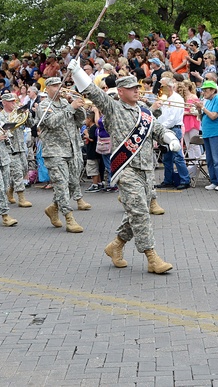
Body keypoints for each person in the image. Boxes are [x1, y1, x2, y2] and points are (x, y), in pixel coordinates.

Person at [67, 61, 182, 275]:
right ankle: (151, 257)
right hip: (126, 168)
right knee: (140, 212)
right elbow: (93, 92)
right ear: (120, 91)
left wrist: (169, 137)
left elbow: (157, 128)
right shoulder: (113, 107)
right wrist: (77, 72)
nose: (137, 91)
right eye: (131, 88)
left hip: (146, 169)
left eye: (137, 88)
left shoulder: (144, 113)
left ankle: (116, 245)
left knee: (134, 211)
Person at [37, 77, 89, 233]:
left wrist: (77, 106)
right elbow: (52, 122)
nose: (58, 88)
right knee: (61, 184)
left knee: (73, 183)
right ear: (47, 89)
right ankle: (69, 217)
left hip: (73, 149)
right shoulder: (44, 105)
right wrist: (71, 107)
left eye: (60, 85)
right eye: (54, 86)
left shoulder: (67, 103)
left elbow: (81, 121)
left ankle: (54, 208)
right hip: (55, 151)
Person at [154, 78, 190, 192]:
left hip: (174, 129)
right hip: (165, 129)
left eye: (162, 86)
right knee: (166, 157)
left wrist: (161, 126)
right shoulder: (163, 98)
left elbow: (173, 119)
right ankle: (168, 180)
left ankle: (185, 180)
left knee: (177, 156)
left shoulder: (177, 99)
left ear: (169, 87)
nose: (160, 89)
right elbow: (161, 115)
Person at [0, 93, 33, 207]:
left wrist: (27, 115)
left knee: (24, 169)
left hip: (20, 146)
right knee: (17, 172)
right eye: (11, 101)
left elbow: (31, 124)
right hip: (9, 148)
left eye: (14, 100)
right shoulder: (0, 116)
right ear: (4, 102)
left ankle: (10, 190)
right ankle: (21, 197)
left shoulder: (18, 112)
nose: (14, 103)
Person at [198, 80, 218, 191]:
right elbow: (203, 117)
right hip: (208, 132)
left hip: (217, 132)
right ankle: (214, 180)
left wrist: (202, 108)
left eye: (205, 90)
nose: (203, 93)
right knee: (210, 159)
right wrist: (199, 109)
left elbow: (213, 116)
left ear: (212, 90)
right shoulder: (208, 101)